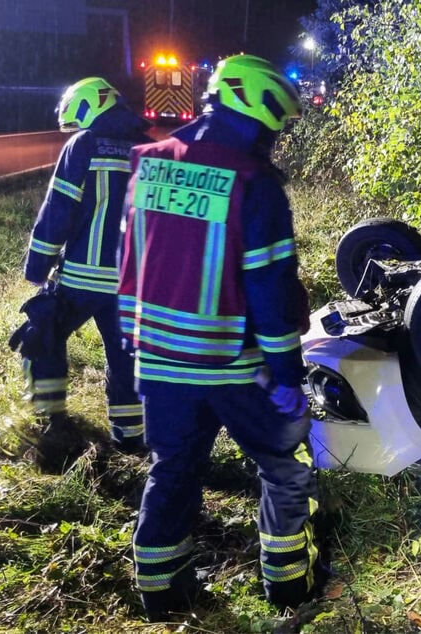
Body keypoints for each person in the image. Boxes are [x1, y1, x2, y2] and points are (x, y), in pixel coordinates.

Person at [117, 54, 323, 622]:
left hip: (159, 360)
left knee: (173, 468)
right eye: (272, 128)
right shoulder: (254, 185)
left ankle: (161, 591)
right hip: (233, 366)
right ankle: (287, 584)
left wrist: (134, 341)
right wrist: (286, 376)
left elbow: (129, 258)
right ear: (257, 117)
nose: (272, 140)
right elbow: (270, 292)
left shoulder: (151, 163)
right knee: (283, 462)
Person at [19, 76, 152, 459]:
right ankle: (130, 437)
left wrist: (37, 267)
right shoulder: (149, 147)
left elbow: (58, 209)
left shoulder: (83, 144)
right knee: (125, 355)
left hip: (82, 277)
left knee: (41, 333)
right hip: (131, 280)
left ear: (89, 105)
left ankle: (52, 424)